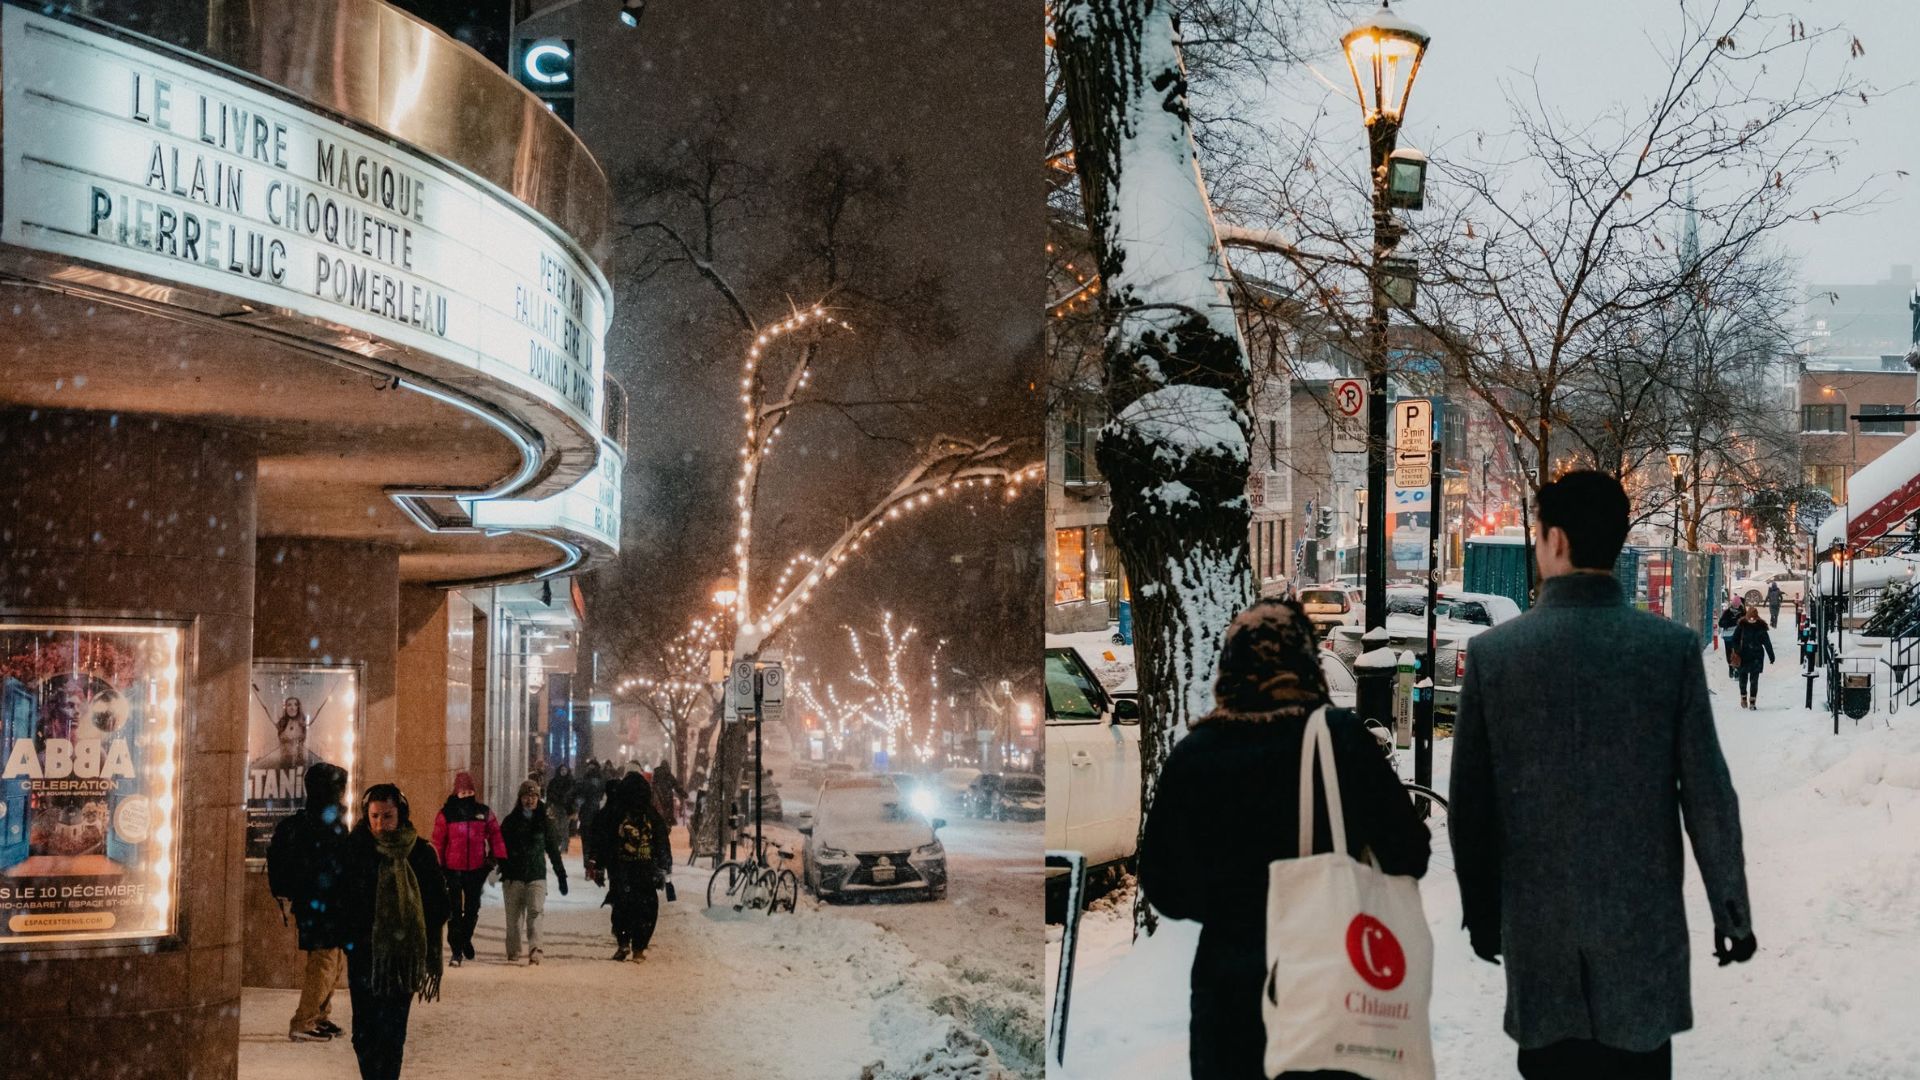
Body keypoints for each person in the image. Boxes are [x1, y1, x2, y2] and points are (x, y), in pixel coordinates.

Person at [1451, 471, 1755, 1080]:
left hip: (1542, 937)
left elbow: (1471, 806)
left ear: (1556, 540)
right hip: (1639, 933)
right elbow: (1708, 796)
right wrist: (1731, 911)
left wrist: (1482, 911)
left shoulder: (1496, 656)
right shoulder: (1669, 651)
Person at [1138, 599, 1431, 1080]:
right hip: (1330, 989)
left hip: (1230, 996)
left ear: (1230, 669)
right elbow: (1410, 853)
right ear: (1308, 665)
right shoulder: (1340, 740)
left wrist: (1234, 904)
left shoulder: (1196, 754)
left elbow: (1163, 885)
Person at [341, 783, 446, 1080]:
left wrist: (421, 932)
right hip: (365, 957)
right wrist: (352, 935)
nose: (380, 824)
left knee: (392, 1034)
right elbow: (341, 899)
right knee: (364, 1034)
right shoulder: (355, 851)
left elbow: (438, 905)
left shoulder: (419, 853)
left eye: (387, 816)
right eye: (374, 816)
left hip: (404, 957)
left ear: (400, 814)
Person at [266, 762, 351, 1042]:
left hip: (324, 903)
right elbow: (327, 866)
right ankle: (304, 1020)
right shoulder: (319, 824)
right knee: (324, 961)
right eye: (339, 787)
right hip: (320, 903)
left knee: (333, 959)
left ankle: (319, 1015)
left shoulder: (320, 821)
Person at [585, 772, 673, 961]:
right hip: (645, 868)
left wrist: (598, 863)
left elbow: (603, 839)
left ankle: (623, 941)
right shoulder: (650, 813)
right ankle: (639, 947)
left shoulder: (615, 811)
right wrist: (664, 865)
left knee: (622, 904)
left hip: (620, 868)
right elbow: (661, 840)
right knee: (646, 907)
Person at [429, 771, 505, 967]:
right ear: (456, 792)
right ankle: (457, 951)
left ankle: (464, 939)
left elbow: (495, 835)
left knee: (472, 909)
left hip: (476, 870)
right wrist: (438, 867)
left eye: (469, 792)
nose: (466, 796)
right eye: (463, 792)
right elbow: (438, 842)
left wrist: (493, 860)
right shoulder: (446, 814)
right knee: (454, 911)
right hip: (452, 870)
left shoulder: (483, 813)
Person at [498, 778, 568, 964]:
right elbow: (499, 847)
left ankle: (536, 948)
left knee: (535, 913)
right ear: (520, 798)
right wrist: (499, 865)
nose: (530, 800)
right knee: (513, 918)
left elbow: (553, 851)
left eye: (533, 796)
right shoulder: (510, 821)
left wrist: (561, 875)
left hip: (536, 875)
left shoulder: (545, 822)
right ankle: (513, 951)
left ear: (538, 798)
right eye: (526, 797)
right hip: (513, 877)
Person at [1731, 604, 1776, 710]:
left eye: (1753, 619)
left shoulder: (1761, 627)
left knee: (1754, 680)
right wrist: (1737, 650)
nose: (1751, 621)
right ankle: (1743, 697)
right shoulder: (1741, 626)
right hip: (1743, 656)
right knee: (1743, 679)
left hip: (1756, 657)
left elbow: (1767, 643)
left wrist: (1771, 656)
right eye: (1750, 619)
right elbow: (1734, 639)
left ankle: (1752, 702)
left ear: (1756, 617)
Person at [575, 760, 606, 845]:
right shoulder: (600, 779)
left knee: (586, 836)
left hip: (588, 810)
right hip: (593, 810)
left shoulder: (586, 779)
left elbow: (581, 793)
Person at [545, 763, 577, 838]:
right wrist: (551, 803)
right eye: (562, 769)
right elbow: (549, 793)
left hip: (567, 807)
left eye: (565, 769)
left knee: (564, 826)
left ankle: (563, 842)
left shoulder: (571, 781)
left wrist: (574, 807)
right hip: (556, 806)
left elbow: (574, 794)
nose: (563, 771)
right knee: (556, 826)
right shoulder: (553, 781)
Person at [651, 758, 685, 826]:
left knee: (659, 813)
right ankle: (667, 824)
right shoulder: (669, 775)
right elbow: (676, 787)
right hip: (668, 798)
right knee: (668, 816)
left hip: (657, 797)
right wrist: (684, 794)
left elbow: (653, 785)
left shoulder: (656, 774)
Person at [1716, 598, 1744, 678]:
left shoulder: (1742, 612)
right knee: (1729, 653)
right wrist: (1733, 622)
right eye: (1734, 605)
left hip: (1738, 636)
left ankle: (1737, 669)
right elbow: (1721, 623)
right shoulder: (1727, 612)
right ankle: (1731, 668)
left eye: (1737, 606)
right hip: (1728, 636)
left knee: (1738, 652)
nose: (1735, 607)